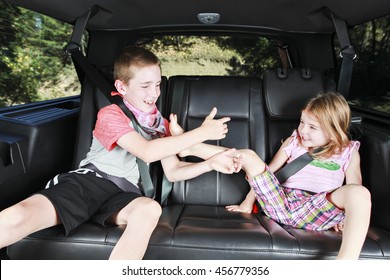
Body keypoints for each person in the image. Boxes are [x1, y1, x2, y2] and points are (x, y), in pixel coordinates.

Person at [0, 46, 241, 260]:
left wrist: (210, 163)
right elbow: (146, 152)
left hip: (123, 194)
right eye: (145, 86)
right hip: (88, 183)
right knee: (19, 216)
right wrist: (201, 133)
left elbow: (174, 171)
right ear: (121, 86)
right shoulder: (111, 115)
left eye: (157, 85)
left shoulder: (159, 124)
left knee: (149, 209)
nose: (153, 93)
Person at [170, 92, 371, 260]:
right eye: (302, 122)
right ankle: (190, 147)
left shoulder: (349, 151)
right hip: (282, 202)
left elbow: (354, 188)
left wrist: (346, 219)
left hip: (319, 209)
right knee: (248, 156)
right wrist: (248, 203)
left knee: (360, 193)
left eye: (312, 127)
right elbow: (269, 172)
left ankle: (344, 266)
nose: (303, 130)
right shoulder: (295, 141)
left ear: (334, 133)